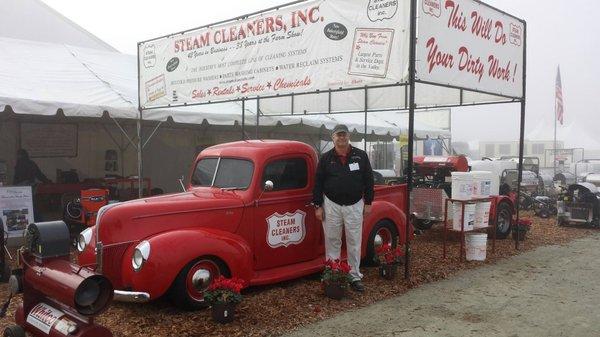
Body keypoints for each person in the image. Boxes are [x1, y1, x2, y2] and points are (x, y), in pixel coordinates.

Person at [312, 124, 374, 292]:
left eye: (344, 135)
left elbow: (369, 179)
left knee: (354, 241)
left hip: (355, 204)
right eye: (338, 135)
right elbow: (317, 183)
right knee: (332, 240)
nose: (342, 138)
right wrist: (318, 205)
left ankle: (354, 275)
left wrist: (368, 202)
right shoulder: (325, 158)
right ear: (333, 138)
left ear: (348, 137)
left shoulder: (360, 156)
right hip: (331, 204)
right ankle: (334, 274)